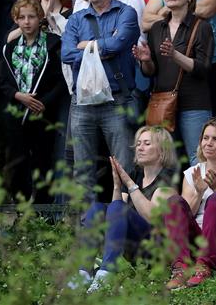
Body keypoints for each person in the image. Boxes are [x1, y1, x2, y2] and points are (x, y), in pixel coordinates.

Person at [61, 0, 140, 204]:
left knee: (125, 169)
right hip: (82, 102)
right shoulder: (76, 19)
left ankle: (125, 227)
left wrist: (86, 45)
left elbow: (119, 45)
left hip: (116, 99)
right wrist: (102, 45)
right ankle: (85, 232)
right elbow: (66, 54)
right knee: (82, 171)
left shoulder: (126, 13)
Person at [71, 126, 178, 294]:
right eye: (138, 143)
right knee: (97, 208)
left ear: (162, 149)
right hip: (133, 248)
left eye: (147, 143)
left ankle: (106, 272)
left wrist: (129, 185)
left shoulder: (168, 178)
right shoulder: (136, 174)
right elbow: (115, 212)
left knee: (118, 207)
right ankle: (84, 272)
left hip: (156, 251)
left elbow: (152, 218)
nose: (139, 148)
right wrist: (117, 185)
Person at [134, 0, 214, 166]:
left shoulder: (201, 26)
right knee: (163, 161)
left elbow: (203, 69)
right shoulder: (156, 28)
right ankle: (167, 197)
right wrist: (145, 60)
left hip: (194, 102)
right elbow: (150, 72)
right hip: (163, 102)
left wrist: (175, 55)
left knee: (198, 159)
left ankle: (200, 197)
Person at [0, 0, 67, 202]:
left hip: (42, 112)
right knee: (18, 161)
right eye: (22, 18)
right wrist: (18, 95)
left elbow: (62, 80)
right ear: (16, 20)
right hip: (17, 112)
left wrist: (43, 102)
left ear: (40, 18)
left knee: (43, 160)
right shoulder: (10, 47)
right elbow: (3, 81)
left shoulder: (53, 44)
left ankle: (43, 212)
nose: (27, 22)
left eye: (31, 17)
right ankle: (21, 208)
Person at [164, 117, 216, 289]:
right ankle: (181, 268)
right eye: (205, 138)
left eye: (215, 139)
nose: (208, 143)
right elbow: (183, 217)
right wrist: (199, 192)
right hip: (197, 242)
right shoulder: (192, 172)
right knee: (175, 202)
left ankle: (203, 267)